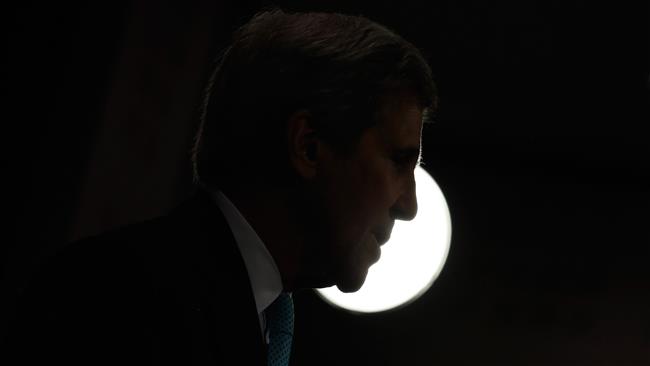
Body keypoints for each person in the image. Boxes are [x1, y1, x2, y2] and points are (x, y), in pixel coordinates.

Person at [3, 8, 437, 366]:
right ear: (308, 147)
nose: (410, 206)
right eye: (399, 161)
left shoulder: (251, 322)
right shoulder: (109, 300)